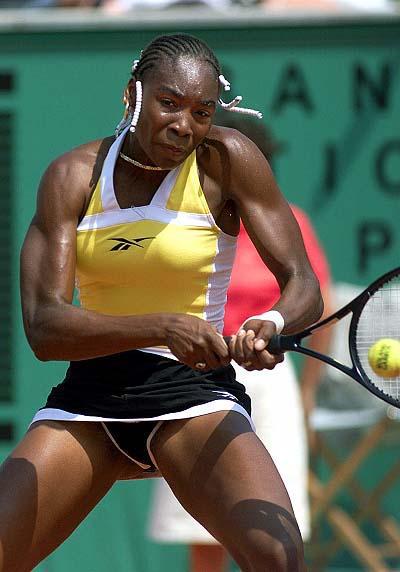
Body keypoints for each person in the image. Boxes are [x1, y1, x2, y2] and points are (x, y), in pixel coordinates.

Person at [0, 33, 323, 572]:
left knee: (277, 555)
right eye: (168, 104)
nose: (184, 125)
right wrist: (163, 327)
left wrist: (271, 320)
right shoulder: (72, 175)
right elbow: (43, 327)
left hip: (193, 395)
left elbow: (303, 284)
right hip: (92, 396)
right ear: (133, 95)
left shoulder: (228, 159)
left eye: (202, 112)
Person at [148, 118, 333, 572]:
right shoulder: (179, 223)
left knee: (275, 528)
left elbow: (316, 302)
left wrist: (307, 390)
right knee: (201, 531)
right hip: (191, 378)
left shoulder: (288, 222)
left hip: (269, 378)